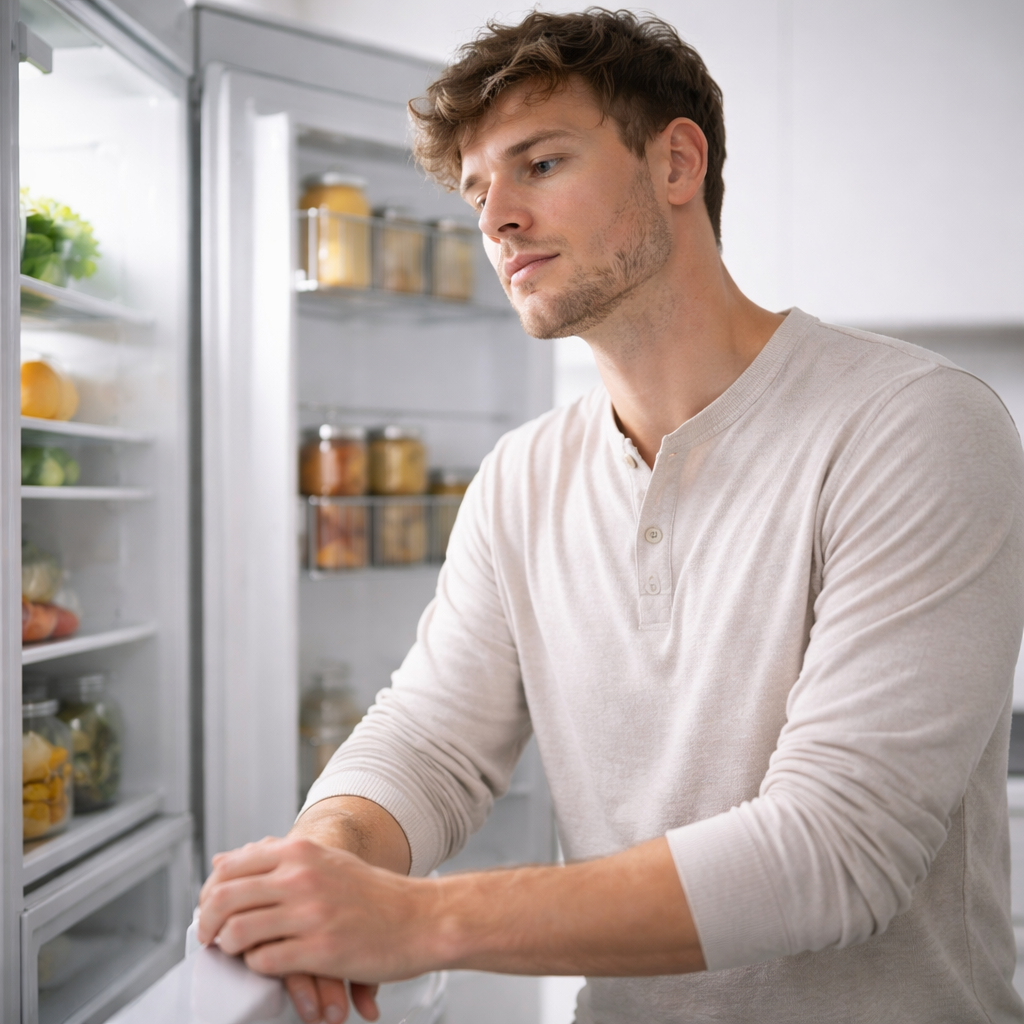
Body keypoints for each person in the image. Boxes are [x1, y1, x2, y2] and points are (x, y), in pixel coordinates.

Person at [197, 10, 1024, 1023]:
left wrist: (415, 919)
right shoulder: (521, 476)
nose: (496, 218)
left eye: (540, 164)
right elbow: (428, 742)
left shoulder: (912, 424)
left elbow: (840, 846)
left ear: (676, 162)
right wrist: (327, 864)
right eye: (477, 192)